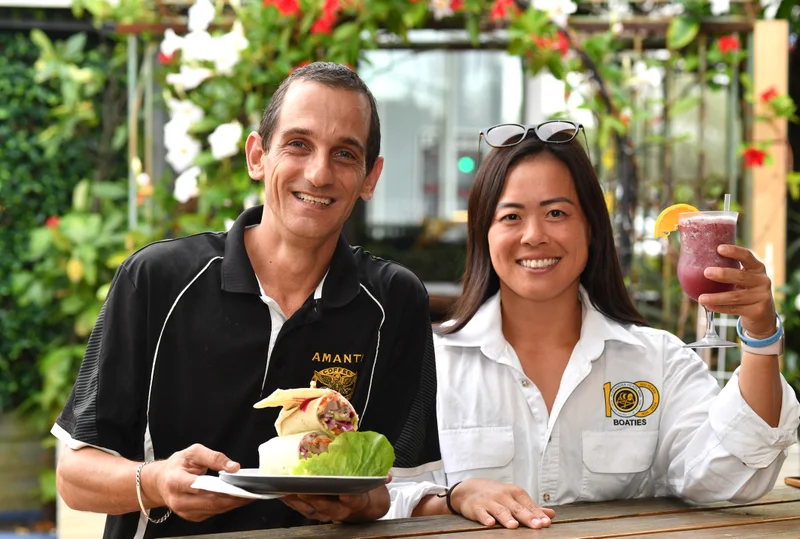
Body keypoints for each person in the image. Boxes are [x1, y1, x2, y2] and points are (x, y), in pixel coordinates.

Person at [51, 62, 443, 539]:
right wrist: (156, 482)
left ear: (369, 176)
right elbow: (75, 478)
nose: (319, 173)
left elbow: (398, 487)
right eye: (298, 144)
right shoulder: (158, 279)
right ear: (257, 156)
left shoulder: (394, 301)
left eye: (344, 154)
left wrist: (350, 503)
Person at [410, 121, 800, 530]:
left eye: (556, 213)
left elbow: (729, 479)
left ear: (592, 228)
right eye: (511, 216)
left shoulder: (657, 361)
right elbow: (375, 495)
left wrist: (760, 335)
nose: (534, 235)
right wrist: (452, 498)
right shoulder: (430, 363)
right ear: (483, 234)